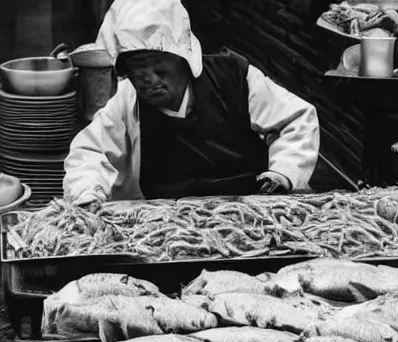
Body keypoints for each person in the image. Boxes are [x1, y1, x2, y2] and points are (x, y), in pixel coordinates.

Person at [63, 0, 320, 208]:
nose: (149, 79)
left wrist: (284, 173)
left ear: (182, 57)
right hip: (166, 221)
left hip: (251, 208)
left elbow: (295, 120)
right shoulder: (127, 102)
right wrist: (87, 191)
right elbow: (90, 152)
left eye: (157, 65)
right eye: (137, 69)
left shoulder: (234, 76)